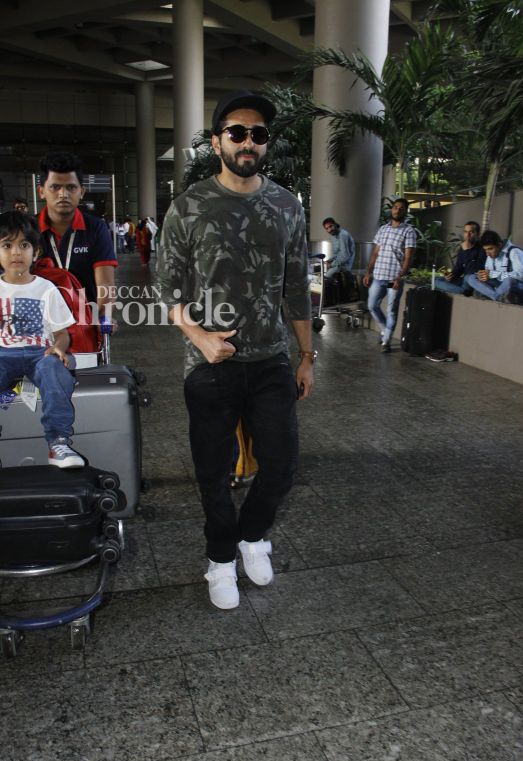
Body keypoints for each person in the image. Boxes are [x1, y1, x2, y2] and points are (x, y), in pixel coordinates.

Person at [159, 89, 313, 611]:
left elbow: (297, 286)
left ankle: (252, 537)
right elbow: (168, 290)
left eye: (259, 134)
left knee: (283, 465)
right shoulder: (189, 205)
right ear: (217, 140)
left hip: (271, 360)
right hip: (209, 365)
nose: (249, 141)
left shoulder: (287, 204)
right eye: (238, 132)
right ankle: (220, 558)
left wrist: (307, 355)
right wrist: (200, 338)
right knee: (212, 470)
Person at [0, 211, 84, 468]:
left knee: (54, 370)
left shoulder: (46, 288)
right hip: (4, 354)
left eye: (24, 245)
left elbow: (62, 333)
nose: (16, 252)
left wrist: (58, 349)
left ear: (35, 253)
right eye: (7, 245)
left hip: (40, 353)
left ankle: (58, 442)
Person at [37, 152, 117, 328]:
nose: (63, 194)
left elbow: (105, 282)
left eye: (71, 188)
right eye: (55, 187)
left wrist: (104, 314)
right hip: (38, 324)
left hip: (85, 322)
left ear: (82, 192)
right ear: (42, 191)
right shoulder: (28, 230)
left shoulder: (96, 228)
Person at [363, 198, 417, 353]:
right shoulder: (383, 229)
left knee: (392, 310)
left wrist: (400, 277)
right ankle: (385, 330)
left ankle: (386, 341)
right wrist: (368, 272)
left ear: (405, 212)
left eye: (401, 208)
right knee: (372, 306)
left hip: (394, 278)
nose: (397, 210)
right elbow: (375, 252)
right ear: (391, 210)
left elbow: (408, 257)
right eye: (395, 207)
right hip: (379, 276)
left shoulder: (409, 231)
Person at [466, 230, 523, 304]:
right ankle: (497, 297)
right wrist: (484, 276)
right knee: (471, 278)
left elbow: (519, 275)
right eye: (485, 250)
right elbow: (489, 272)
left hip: (522, 287)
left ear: (499, 245)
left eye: (490, 249)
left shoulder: (515, 252)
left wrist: (492, 274)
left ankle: (494, 296)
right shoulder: (490, 256)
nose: (487, 254)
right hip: (501, 287)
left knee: (509, 279)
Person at [435, 221, 486, 295]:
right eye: (465, 232)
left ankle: (461, 291)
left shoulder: (482, 249)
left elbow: (474, 272)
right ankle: (463, 292)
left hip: (472, 281)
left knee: (468, 277)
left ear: (477, 234)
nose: (467, 235)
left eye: (471, 232)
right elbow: (459, 268)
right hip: (463, 281)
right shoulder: (463, 247)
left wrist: (467, 251)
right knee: (436, 279)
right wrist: (451, 275)